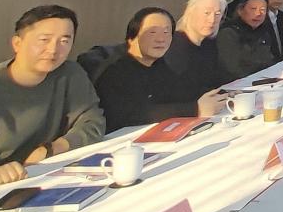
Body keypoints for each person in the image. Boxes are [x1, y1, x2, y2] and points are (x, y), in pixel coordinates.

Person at [0, 6, 105, 185]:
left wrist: (51, 149)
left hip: (49, 174)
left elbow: (93, 122)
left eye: (64, 41)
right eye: (44, 40)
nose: (53, 49)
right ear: (17, 43)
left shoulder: (70, 73)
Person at [93, 8, 228, 133]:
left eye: (166, 32)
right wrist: (195, 109)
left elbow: (180, 91)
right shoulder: (114, 71)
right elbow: (133, 114)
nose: (161, 39)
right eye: (152, 32)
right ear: (132, 38)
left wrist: (221, 95)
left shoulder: (157, 63)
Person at [163, 0, 227, 89]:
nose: (212, 20)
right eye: (206, 13)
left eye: (217, 14)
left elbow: (217, 79)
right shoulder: (174, 46)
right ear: (190, 12)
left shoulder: (209, 43)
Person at [215, 0, 280, 82]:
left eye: (263, 10)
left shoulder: (264, 33)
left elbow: (269, 61)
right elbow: (232, 70)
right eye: (253, 9)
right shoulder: (228, 33)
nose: (258, 14)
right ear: (240, 11)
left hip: (262, 81)